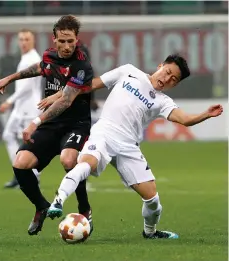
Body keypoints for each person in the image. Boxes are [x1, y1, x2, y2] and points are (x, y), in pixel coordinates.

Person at [34, 54, 223, 238]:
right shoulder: (128, 71)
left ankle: (150, 232)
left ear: (175, 84)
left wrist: (205, 114)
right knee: (85, 164)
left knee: (153, 201)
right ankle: (58, 201)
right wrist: (59, 95)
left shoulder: (163, 101)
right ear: (160, 66)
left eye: (173, 79)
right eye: (167, 72)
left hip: (128, 146)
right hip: (105, 133)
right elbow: (88, 86)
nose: (166, 79)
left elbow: (184, 119)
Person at [0, 15, 94, 236]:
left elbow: (66, 100)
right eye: (62, 41)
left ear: (77, 39)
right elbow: (39, 67)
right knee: (20, 163)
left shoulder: (82, 65)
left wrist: (35, 122)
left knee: (69, 159)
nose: (66, 46)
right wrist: (9, 78)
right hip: (52, 125)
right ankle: (41, 206)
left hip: (75, 125)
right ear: (54, 39)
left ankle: (84, 209)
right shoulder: (49, 56)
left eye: (71, 41)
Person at [0, 29, 42, 189]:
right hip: (21, 107)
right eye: (21, 39)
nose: (23, 42)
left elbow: (27, 87)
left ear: (33, 41)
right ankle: (20, 173)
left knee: (28, 143)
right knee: (8, 135)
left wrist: (9, 101)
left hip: (29, 108)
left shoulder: (33, 59)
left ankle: (32, 176)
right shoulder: (25, 58)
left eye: (27, 39)